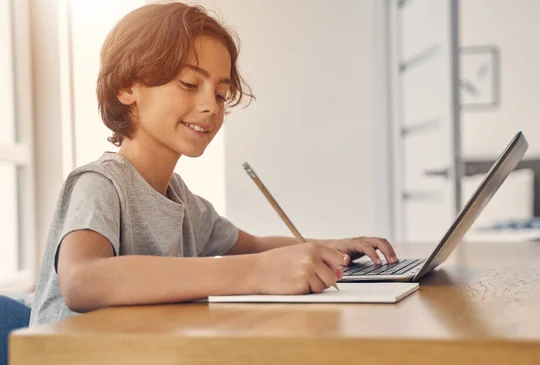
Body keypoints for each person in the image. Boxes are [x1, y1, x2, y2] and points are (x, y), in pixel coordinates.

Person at [29, 2, 398, 326]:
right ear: (127, 88)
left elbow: (253, 246)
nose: (211, 106)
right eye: (190, 83)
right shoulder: (99, 184)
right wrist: (253, 273)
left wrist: (329, 247)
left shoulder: (182, 200)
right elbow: (82, 281)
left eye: (220, 94)